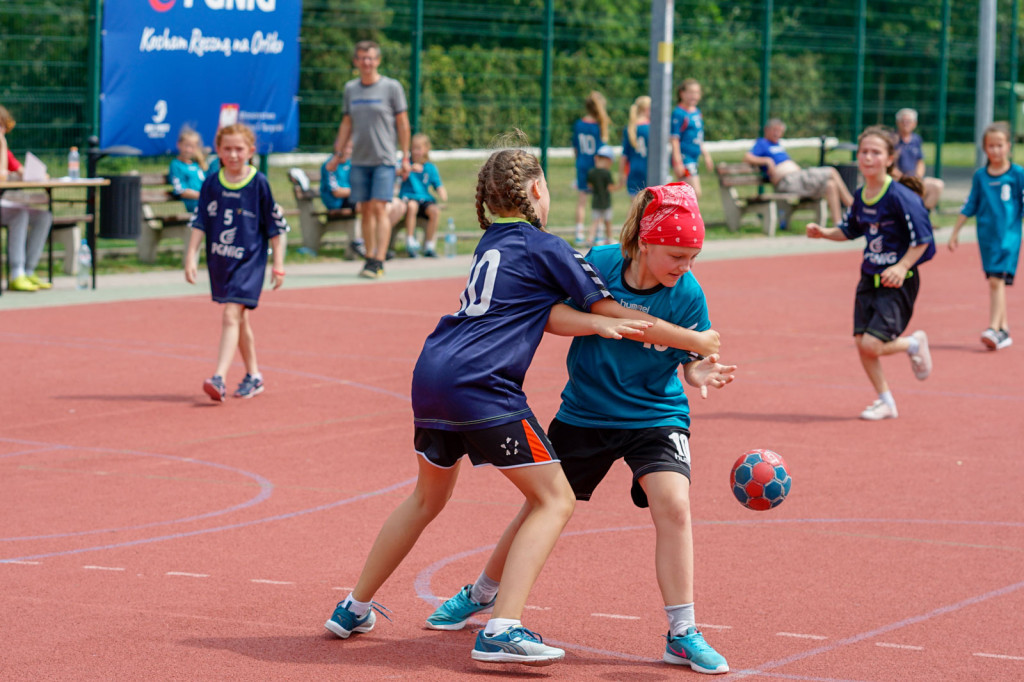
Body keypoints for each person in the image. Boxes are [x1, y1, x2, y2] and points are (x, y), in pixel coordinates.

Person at [322, 143, 721, 667]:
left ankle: (353, 607)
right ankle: (501, 626)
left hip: (434, 373)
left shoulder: (490, 241)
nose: (686, 267)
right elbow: (608, 309)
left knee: (427, 499)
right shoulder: (554, 248)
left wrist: (689, 359)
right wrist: (695, 340)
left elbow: (545, 311)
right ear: (536, 190)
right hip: (494, 388)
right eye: (678, 256)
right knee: (552, 501)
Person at [425, 182, 735, 675]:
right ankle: (482, 593)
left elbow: (692, 356)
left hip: (656, 414)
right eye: (677, 255)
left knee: (674, 505)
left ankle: (682, 633)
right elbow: (545, 312)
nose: (685, 266)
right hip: (586, 413)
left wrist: (698, 373)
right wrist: (597, 323)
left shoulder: (687, 293)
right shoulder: (599, 264)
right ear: (645, 243)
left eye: (693, 257)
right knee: (539, 507)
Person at [806, 125, 936, 421]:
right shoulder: (861, 195)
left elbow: (923, 240)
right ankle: (885, 401)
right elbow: (850, 229)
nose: (867, 157)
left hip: (898, 282)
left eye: (875, 152)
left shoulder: (901, 197)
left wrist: (902, 266)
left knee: (872, 344)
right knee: (863, 345)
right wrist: (824, 233)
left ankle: (914, 343)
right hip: (869, 279)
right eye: (863, 151)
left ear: (889, 158)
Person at [184, 123, 289, 402]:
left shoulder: (259, 183)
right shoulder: (211, 183)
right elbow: (200, 221)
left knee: (231, 314)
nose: (233, 154)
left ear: (250, 151)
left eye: (239, 149)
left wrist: (278, 264)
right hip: (221, 260)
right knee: (240, 318)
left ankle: (218, 377)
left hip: (250, 262)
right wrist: (191, 256)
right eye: (227, 149)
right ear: (218, 150)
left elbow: (275, 227)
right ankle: (254, 375)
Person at [331, 40, 411, 279]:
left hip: (384, 159)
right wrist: (338, 154)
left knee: (378, 207)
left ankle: (379, 259)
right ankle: (369, 256)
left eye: (371, 58)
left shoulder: (392, 87)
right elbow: (346, 123)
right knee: (365, 209)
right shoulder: (350, 89)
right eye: (363, 58)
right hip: (359, 160)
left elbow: (403, 124)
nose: (367, 62)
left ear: (378, 61)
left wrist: (405, 157)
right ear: (356, 61)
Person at [948, 122, 1023, 351]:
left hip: (1008, 237)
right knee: (994, 280)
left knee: (995, 281)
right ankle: (1003, 330)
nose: (995, 150)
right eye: (991, 146)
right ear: (984, 148)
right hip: (986, 237)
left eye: (1000, 145)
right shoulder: (980, 176)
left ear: (1008, 146)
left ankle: (993, 328)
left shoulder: (1017, 174)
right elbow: (971, 203)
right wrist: (955, 232)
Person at [745, 118, 854, 227]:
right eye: (775, 130)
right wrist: (767, 160)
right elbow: (747, 157)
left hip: (798, 178)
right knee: (831, 171)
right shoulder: (762, 143)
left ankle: (838, 224)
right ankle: (853, 206)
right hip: (788, 181)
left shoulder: (777, 145)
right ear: (766, 130)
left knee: (831, 185)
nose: (777, 134)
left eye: (780, 131)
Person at [0, 104, 53, 293]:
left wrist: (39, 175)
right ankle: (17, 273)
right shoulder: (2, 148)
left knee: (44, 216)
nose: (2, 131)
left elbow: (21, 171)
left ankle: (28, 270)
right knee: (19, 214)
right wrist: (2, 145)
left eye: (3, 127)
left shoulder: (5, 152)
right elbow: (2, 175)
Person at [398, 133, 447, 257]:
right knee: (412, 206)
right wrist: (409, 169)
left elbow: (437, 184)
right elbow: (396, 172)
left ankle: (429, 245)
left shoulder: (430, 167)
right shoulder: (406, 164)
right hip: (409, 198)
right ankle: (410, 242)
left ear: (426, 149)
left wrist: (442, 192)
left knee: (435, 211)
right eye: (413, 148)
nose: (415, 151)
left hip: (424, 199)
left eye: (418, 148)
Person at [572, 91, 611, 244]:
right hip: (596, 167)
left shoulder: (578, 124)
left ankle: (579, 233)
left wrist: (579, 161)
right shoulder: (599, 126)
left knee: (582, 200)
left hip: (582, 164)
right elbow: (602, 151)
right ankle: (598, 234)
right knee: (599, 199)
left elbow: (575, 148)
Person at [893, 108, 945, 211]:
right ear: (897, 123)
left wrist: (917, 178)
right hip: (897, 180)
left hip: (914, 179)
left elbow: (920, 162)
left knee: (937, 185)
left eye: (909, 121)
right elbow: (889, 165)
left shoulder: (916, 139)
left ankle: (923, 213)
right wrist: (904, 178)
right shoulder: (892, 140)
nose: (905, 124)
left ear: (915, 124)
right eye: (903, 121)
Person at [670, 79, 714, 198]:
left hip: (694, 158)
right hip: (685, 158)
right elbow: (674, 139)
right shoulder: (679, 113)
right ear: (682, 93)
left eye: (697, 92)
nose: (694, 96)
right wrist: (678, 162)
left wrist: (706, 155)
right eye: (691, 92)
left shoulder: (697, 112)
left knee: (686, 196)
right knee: (693, 193)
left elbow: (698, 137)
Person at [168, 126, 208, 213]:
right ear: (179, 144)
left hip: (206, 204)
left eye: (192, 147)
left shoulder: (198, 165)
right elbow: (180, 190)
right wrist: (204, 196)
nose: (188, 150)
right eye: (186, 145)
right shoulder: (176, 165)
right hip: (195, 205)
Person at [585, 144, 616, 246]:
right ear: (607, 160)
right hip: (606, 201)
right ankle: (609, 238)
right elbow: (610, 187)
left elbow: (589, 185)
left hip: (596, 201)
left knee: (595, 221)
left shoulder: (591, 172)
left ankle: (590, 238)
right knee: (608, 221)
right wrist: (619, 186)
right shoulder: (606, 173)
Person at [621, 95, 651, 197]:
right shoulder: (651, 127)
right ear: (647, 109)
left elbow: (624, 155)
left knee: (635, 203)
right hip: (649, 169)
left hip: (633, 169)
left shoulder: (630, 128)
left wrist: (621, 174)